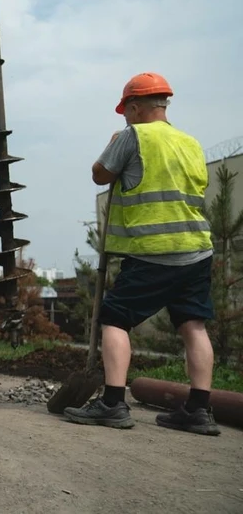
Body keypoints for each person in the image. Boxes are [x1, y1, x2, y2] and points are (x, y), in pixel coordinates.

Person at [64, 72, 220, 436]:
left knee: (115, 318)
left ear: (135, 107)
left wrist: (113, 144)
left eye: (126, 112)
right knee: (193, 324)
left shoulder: (133, 136)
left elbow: (100, 175)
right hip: (197, 250)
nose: (125, 118)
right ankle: (198, 410)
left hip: (153, 251)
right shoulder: (191, 143)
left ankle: (113, 403)